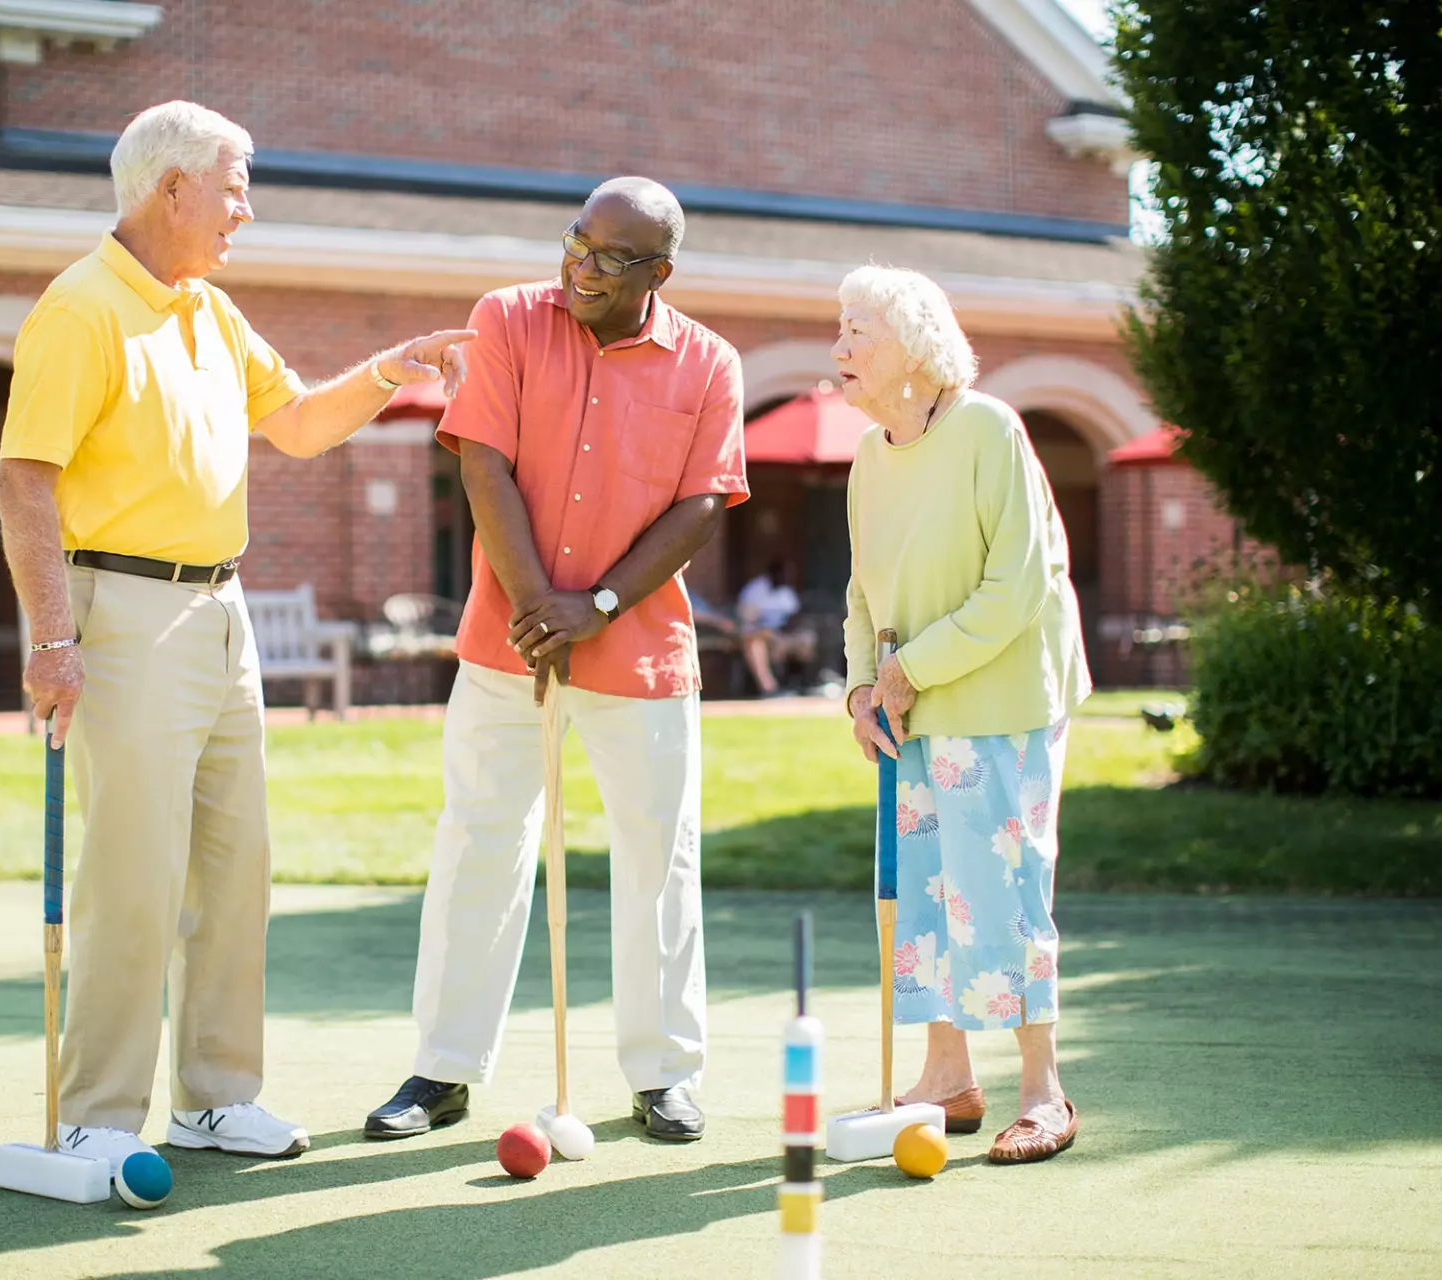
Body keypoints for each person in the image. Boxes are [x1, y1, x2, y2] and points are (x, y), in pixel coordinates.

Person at [0, 100, 474, 1181]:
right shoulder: (81, 310)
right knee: (133, 868)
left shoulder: (208, 310)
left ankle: (216, 1098)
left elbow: (299, 421)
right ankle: (97, 1112)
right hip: (119, 613)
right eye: (235, 186)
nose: (245, 211)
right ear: (172, 188)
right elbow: (25, 477)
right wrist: (51, 639)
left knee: (234, 865)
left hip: (224, 610)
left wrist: (393, 367)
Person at [363, 177, 748, 1144]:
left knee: (660, 859)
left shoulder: (710, 363)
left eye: (609, 258)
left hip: (643, 653)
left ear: (657, 273)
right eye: (575, 241)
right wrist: (542, 605)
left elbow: (703, 503)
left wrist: (599, 604)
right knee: (478, 844)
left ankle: (663, 1076)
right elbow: (481, 459)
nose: (580, 265)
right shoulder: (505, 318)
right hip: (506, 642)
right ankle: (442, 1072)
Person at [835, 264, 1092, 1164]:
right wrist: (864, 684)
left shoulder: (989, 428)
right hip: (914, 705)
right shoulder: (869, 455)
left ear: (913, 343)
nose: (840, 347)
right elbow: (864, 592)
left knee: (1005, 891)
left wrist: (911, 669)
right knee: (924, 899)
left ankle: (1044, 1092)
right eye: (840, 328)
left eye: (859, 328)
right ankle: (948, 1077)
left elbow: (1018, 585)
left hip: (1002, 699)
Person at [735, 559, 816, 696]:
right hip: (763, 633)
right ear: (773, 573)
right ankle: (771, 689)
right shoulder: (755, 589)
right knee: (760, 643)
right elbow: (746, 619)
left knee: (807, 638)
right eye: (784, 573)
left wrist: (789, 629)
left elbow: (794, 616)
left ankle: (803, 684)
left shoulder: (786, 591)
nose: (788, 577)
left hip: (783, 633)